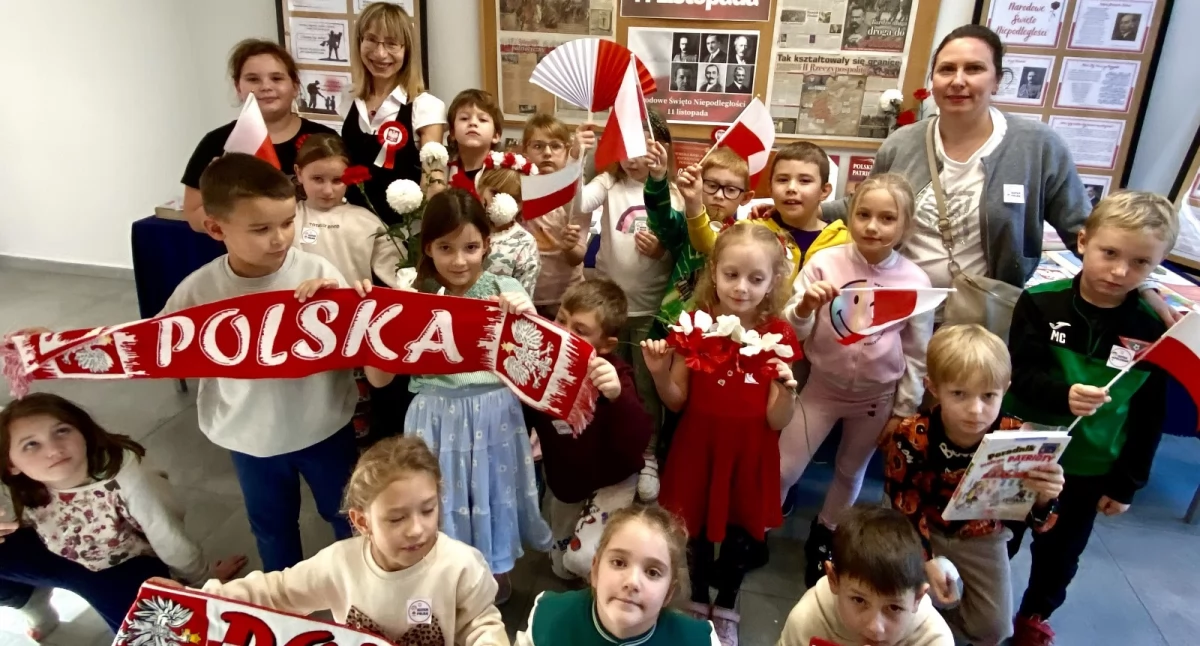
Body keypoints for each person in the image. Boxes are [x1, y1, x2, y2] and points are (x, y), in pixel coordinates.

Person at [171, 154, 364, 572]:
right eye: (260, 229)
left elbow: (358, 339)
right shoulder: (199, 289)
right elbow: (160, 347)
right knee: (273, 527)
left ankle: (360, 585)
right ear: (216, 229)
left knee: (347, 514)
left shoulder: (318, 271)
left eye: (287, 222)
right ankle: (282, 595)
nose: (279, 239)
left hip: (323, 426)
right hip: (251, 437)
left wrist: (338, 303)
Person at [1003, 191, 1176, 646]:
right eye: (1110, 253)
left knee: (1060, 555)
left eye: (1140, 263)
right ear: (1083, 242)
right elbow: (1019, 374)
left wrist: (1127, 483)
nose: (1120, 271)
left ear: (1158, 264)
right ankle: (985, 606)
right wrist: (1063, 395)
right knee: (998, 539)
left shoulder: (1154, 328)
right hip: (1024, 452)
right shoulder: (1040, 302)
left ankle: (1034, 617)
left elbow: (1149, 413)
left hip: (1089, 467)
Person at [365, 189, 551, 605]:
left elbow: (536, 365)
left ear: (487, 244)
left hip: (495, 413)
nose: (460, 261)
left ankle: (490, 575)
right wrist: (380, 323)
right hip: (434, 415)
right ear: (428, 247)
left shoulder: (505, 288)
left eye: (470, 247)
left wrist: (528, 317)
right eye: (445, 248)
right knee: (437, 497)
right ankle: (442, 580)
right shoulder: (413, 293)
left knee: (492, 491)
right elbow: (378, 378)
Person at [151, 436, 507, 645]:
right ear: (362, 521)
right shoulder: (339, 564)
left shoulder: (460, 565)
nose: (417, 529)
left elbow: (481, 623)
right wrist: (196, 601)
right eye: (397, 518)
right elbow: (276, 592)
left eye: (428, 510)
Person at [641, 223, 799, 645]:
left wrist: (786, 391)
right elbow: (677, 400)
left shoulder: (779, 335)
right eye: (732, 274)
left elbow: (777, 421)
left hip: (749, 453)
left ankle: (727, 603)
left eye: (755, 278)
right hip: (699, 448)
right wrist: (659, 373)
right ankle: (696, 598)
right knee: (691, 529)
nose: (741, 287)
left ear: (773, 281)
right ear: (714, 272)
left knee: (740, 534)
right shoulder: (694, 325)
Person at [781, 174, 932, 588]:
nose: (872, 226)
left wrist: (903, 409)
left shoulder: (915, 281)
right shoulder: (824, 263)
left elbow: (918, 353)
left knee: (851, 471)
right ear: (850, 215)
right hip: (822, 388)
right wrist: (804, 308)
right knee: (783, 468)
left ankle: (826, 536)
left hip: (876, 398)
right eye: (863, 214)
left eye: (887, 218)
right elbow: (791, 330)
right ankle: (755, 529)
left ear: (905, 225)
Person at [0, 395, 247, 635]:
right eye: (31, 444)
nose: (54, 449)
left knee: (147, 634)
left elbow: (168, 536)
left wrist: (203, 583)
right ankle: (29, 601)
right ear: (11, 464)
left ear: (84, 432)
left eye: (62, 431)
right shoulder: (16, 481)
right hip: (60, 550)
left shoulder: (126, 476)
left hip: (125, 565)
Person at [881, 325, 1064, 645]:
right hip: (922, 529)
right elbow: (902, 502)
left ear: (1005, 390)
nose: (976, 409)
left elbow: (1041, 523)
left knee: (995, 629)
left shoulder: (1019, 437)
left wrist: (1044, 498)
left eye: (988, 395)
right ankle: (922, 625)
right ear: (933, 387)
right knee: (901, 605)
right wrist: (926, 558)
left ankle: (935, 629)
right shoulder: (912, 434)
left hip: (982, 534)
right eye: (959, 394)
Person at [577, 112, 677, 500]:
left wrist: (663, 249)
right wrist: (580, 156)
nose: (632, 159)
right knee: (605, 381)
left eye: (641, 149)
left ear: (662, 150)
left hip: (651, 309)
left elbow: (682, 248)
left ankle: (647, 453)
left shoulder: (673, 192)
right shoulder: (609, 183)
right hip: (610, 310)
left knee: (646, 387)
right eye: (624, 149)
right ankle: (610, 445)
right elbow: (579, 202)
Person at [526, 280, 653, 580]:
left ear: (606, 346)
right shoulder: (543, 365)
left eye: (580, 330)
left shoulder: (616, 374)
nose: (564, 332)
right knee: (562, 569)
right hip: (566, 482)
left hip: (613, 480)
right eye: (561, 320)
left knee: (584, 562)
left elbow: (639, 436)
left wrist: (617, 396)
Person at [181, 39, 335, 232]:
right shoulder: (216, 142)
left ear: (295, 86)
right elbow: (193, 213)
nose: (265, 86)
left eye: (276, 78)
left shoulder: (324, 138)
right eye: (253, 79)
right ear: (238, 87)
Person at [515, 506, 722, 645]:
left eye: (652, 572)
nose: (632, 582)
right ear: (595, 571)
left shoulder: (699, 641)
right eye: (619, 562)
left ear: (668, 592)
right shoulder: (548, 619)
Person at [776, 506, 954, 646]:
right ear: (833, 579)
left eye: (894, 607)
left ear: (917, 598)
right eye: (859, 600)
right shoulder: (808, 619)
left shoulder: (934, 639)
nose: (875, 628)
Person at [342, 2, 447, 226]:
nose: (380, 53)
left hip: (402, 233)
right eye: (371, 40)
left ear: (407, 50)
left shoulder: (426, 107)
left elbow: (433, 182)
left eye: (391, 43)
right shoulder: (348, 98)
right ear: (359, 41)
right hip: (352, 227)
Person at [690, 142, 851, 283]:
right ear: (770, 188)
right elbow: (709, 244)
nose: (791, 188)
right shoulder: (750, 230)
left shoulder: (844, 241)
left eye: (804, 181)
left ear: (824, 191)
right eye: (782, 180)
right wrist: (694, 203)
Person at [644, 146, 754, 341]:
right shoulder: (684, 224)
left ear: (745, 197)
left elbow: (711, 245)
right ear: (698, 184)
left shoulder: (742, 237)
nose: (719, 195)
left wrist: (694, 207)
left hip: (713, 335)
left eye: (731, 190)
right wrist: (658, 178)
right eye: (711, 185)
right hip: (668, 325)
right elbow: (660, 219)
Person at [293, 134, 403, 287]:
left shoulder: (367, 222)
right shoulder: (287, 219)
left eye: (337, 180)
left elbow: (402, 277)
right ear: (299, 173)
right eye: (318, 179)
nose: (327, 191)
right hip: (295, 300)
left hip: (352, 301)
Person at [521, 113, 588, 319]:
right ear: (525, 151)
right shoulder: (516, 189)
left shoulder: (576, 195)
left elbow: (578, 256)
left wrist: (569, 247)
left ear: (566, 151)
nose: (547, 153)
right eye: (538, 146)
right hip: (525, 294)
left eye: (556, 146)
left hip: (565, 298)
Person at [475, 153, 542, 295]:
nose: (502, 202)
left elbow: (524, 294)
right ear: (480, 188)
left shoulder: (525, 243)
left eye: (515, 198)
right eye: (495, 193)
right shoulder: (465, 228)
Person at [446, 89, 504, 196]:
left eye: (482, 120)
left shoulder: (506, 174)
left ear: (496, 135)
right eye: (464, 118)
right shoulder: (442, 172)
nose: (473, 123)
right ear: (452, 132)